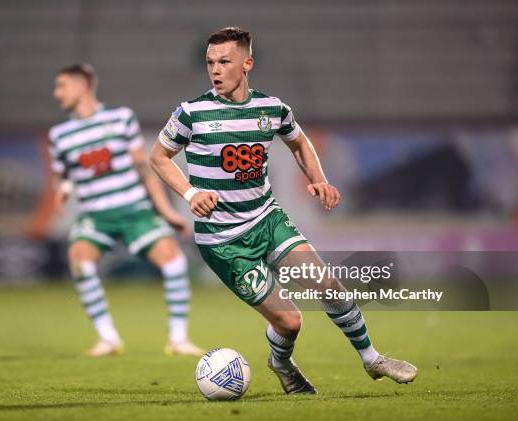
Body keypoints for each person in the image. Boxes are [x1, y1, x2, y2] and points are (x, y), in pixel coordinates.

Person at [149, 28, 417, 393]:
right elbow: (158, 157)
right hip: (225, 243)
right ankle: (281, 362)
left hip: (267, 220)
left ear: (247, 64)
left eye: (224, 61)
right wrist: (190, 192)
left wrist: (319, 179)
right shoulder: (191, 113)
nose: (215, 69)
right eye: (210, 62)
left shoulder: (271, 109)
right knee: (291, 322)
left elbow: (299, 142)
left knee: (328, 285)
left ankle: (372, 359)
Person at [49, 64, 203, 357]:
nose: (57, 94)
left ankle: (179, 339)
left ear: (82, 86)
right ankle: (108, 338)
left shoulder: (120, 119)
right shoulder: (60, 135)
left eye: (62, 86)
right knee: (79, 260)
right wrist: (64, 189)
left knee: (174, 262)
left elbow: (144, 170)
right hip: (96, 215)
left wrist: (167, 212)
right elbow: (62, 175)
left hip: (135, 209)